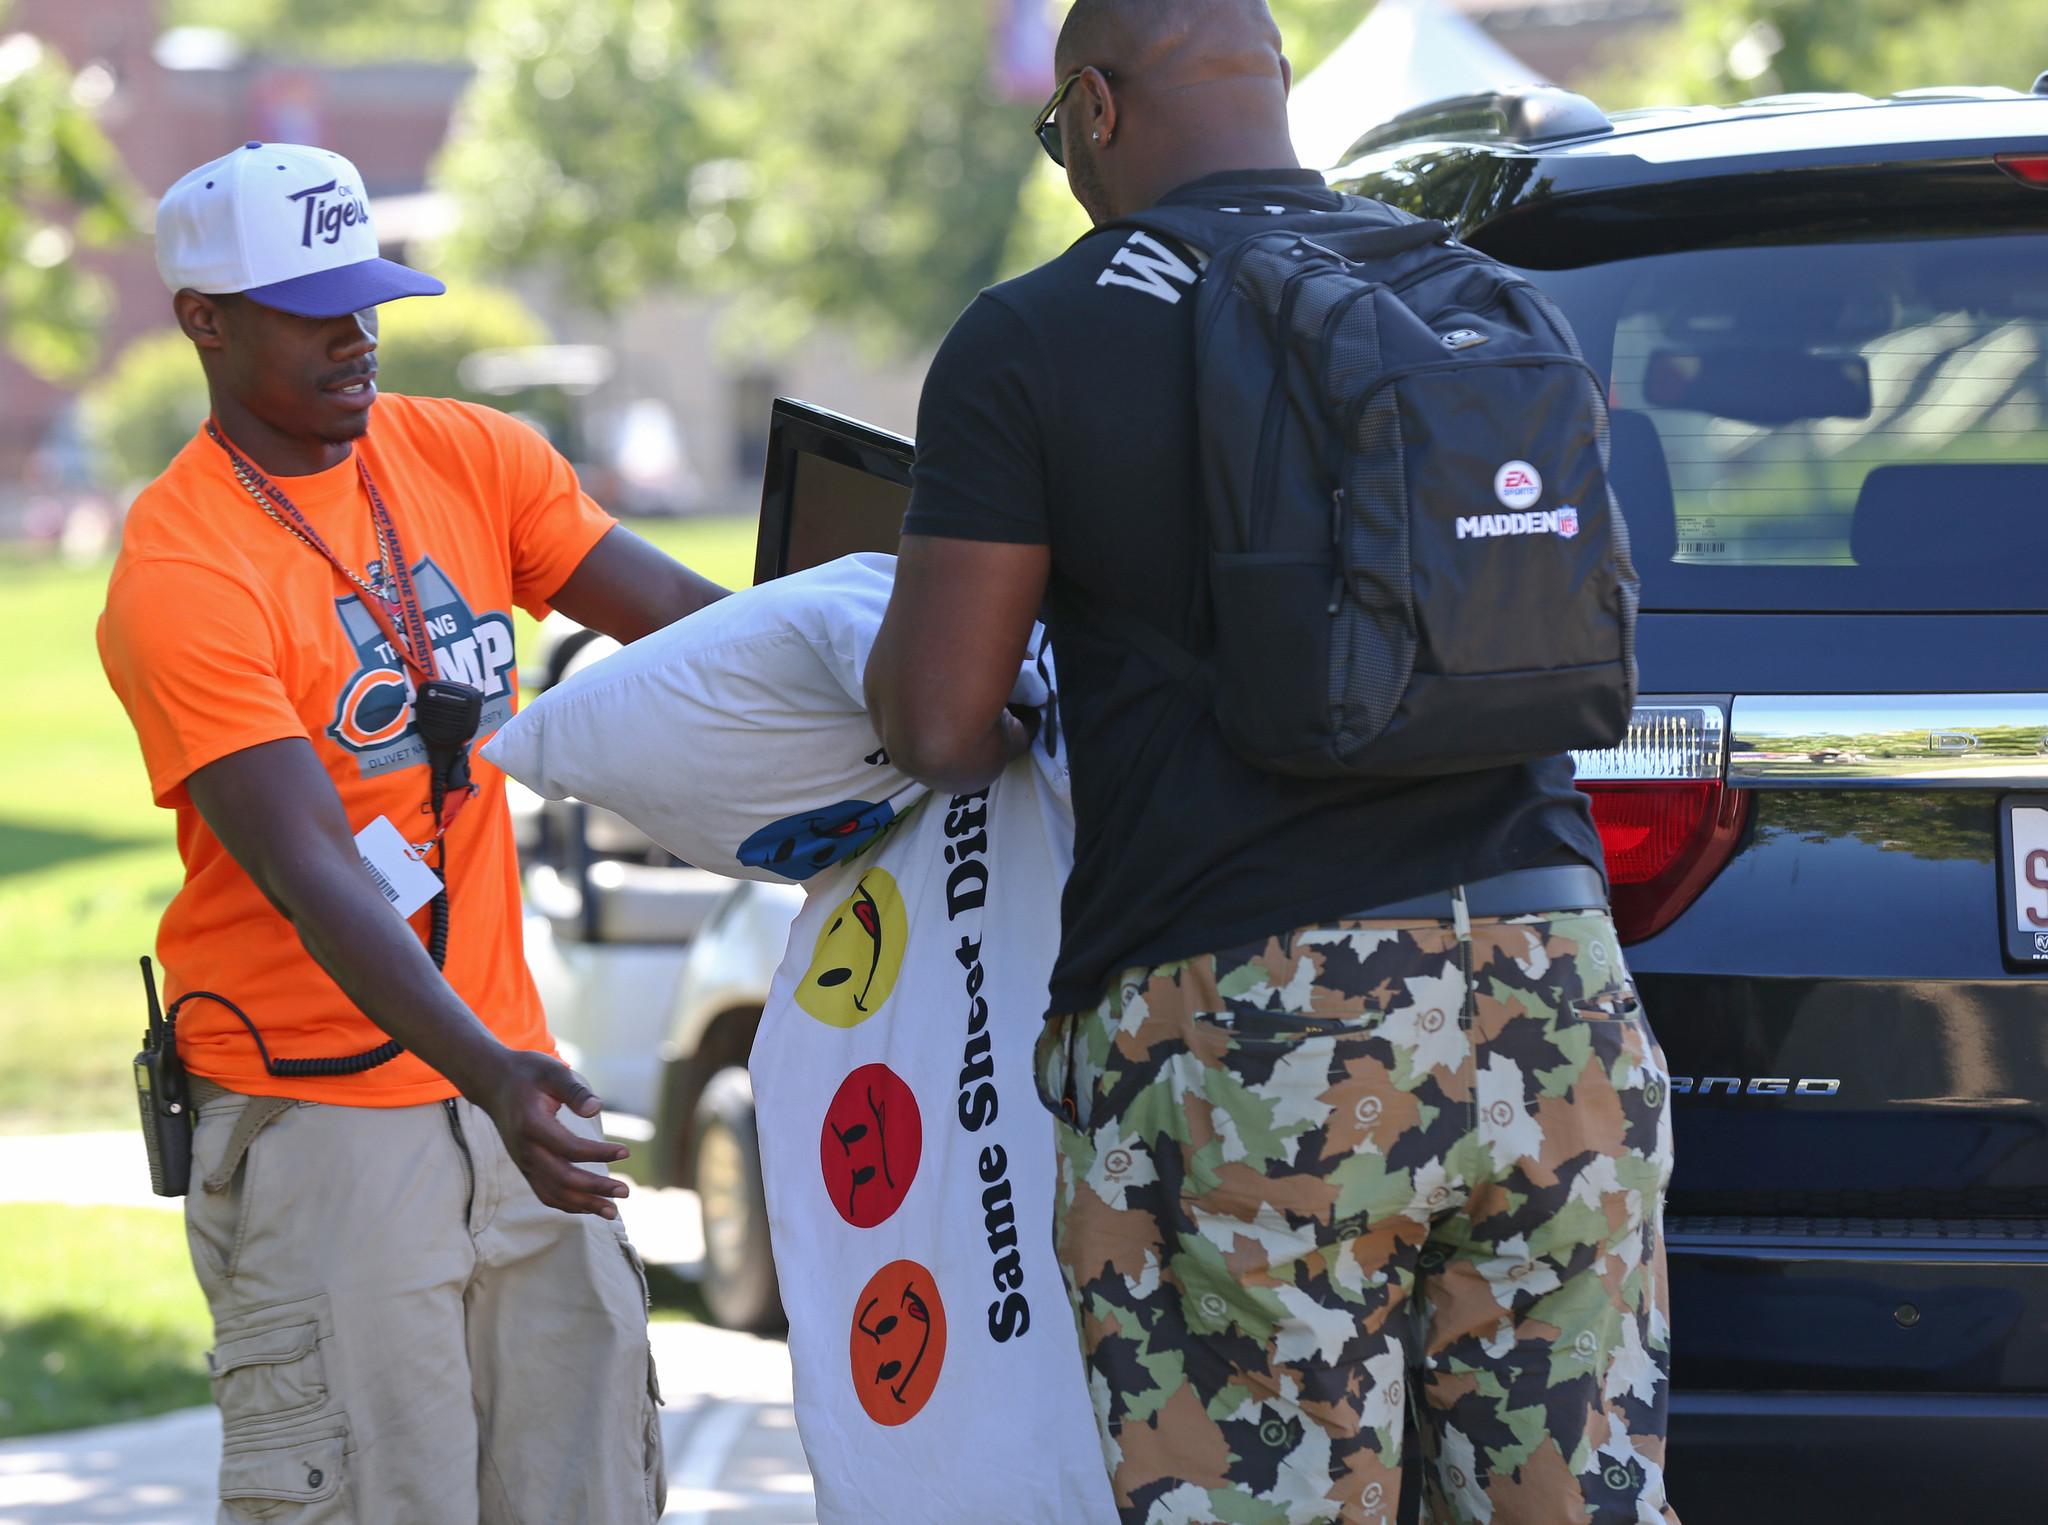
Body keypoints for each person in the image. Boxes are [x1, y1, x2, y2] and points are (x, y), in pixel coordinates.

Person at [862, 3, 1677, 1522]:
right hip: (1561, 1001)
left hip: (1252, 1025)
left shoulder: (1034, 334)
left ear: (1093, 110)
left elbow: (934, 720)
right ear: (1278, 90)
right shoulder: (1473, 289)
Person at [98, 143, 724, 1524]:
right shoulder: (182, 569)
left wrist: (894, 640)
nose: (356, 330)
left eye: (367, 293)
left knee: (590, 1483)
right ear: (205, 317)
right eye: (309, 304)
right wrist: (496, 1074)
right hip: (319, 1115)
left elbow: (689, 624)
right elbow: (317, 872)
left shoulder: (465, 453)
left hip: (502, 1077)